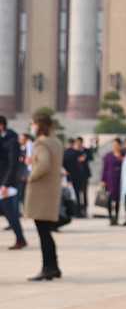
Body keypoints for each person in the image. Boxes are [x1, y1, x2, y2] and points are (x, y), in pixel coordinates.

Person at [23, 113, 64, 280]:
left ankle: (47, 268)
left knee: (43, 232)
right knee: (46, 230)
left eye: (33, 124)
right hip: (52, 189)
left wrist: (32, 175)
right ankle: (54, 267)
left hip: (41, 191)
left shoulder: (41, 142)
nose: (31, 127)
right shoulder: (56, 141)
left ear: (39, 125)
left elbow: (44, 164)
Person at [0, 116, 26, 249]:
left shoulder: (11, 141)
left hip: (5, 183)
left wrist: (5, 183)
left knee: (10, 211)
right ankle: (20, 238)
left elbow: (12, 164)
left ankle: (20, 239)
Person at [62, 138, 89, 218]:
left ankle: (69, 211)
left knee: (67, 194)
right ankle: (78, 211)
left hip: (67, 176)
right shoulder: (77, 152)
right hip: (77, 176)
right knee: (77, 194)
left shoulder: (64, 153)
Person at [100, 138, 124, 225]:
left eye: (117, 144)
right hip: (109, 179)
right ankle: (110, 217)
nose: (115, 146)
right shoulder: (108, 155)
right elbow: (104, 168)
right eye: (114, 144)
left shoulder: (124, 155)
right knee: (109, 199)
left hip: (119, 179)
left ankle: (116, 218)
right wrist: (102, 179)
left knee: (117, 200)